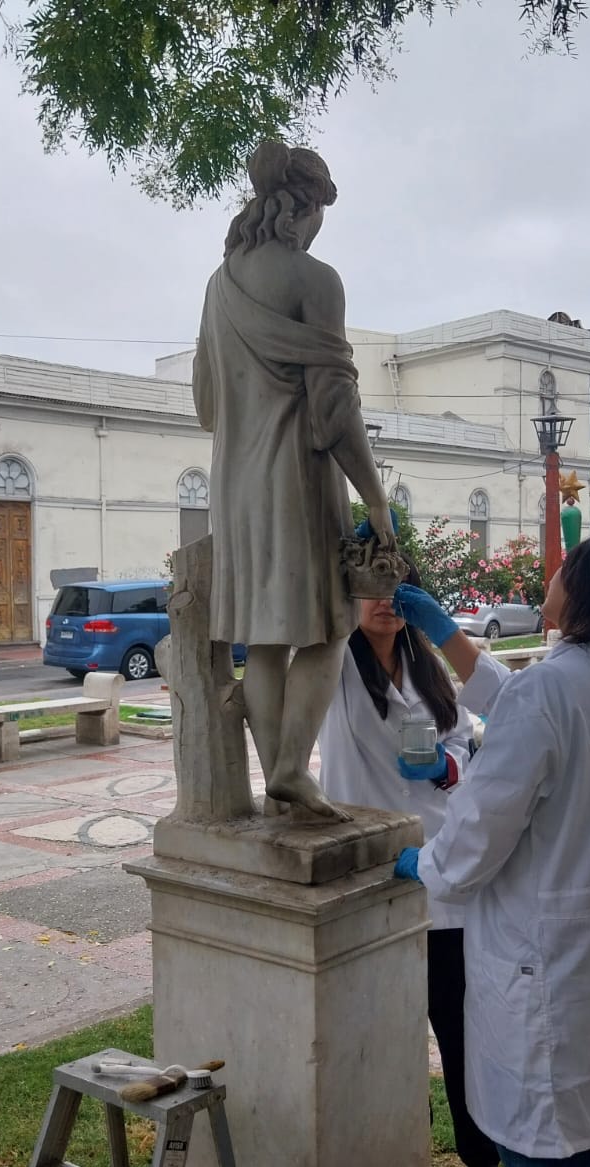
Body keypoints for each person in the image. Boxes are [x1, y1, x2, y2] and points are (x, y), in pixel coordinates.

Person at [395, 535, 590, 1167]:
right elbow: (527, 705)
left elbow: (478, 833)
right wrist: (444, 631)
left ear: (589, 591)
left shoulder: (554, 687)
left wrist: (427, 865)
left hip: (554, 958)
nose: (552, 575)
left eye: (565, 568)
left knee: (552, 1152)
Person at [192, 140, 394, 822]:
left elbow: (204, 403)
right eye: (318, 214)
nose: (315, 230)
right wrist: (375, 496)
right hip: (295, 483)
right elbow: (335, 411)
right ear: (304, 206)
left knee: (267, 639)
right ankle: (288, 769)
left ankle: (284, 783)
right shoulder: (315, 280)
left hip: (235, 489)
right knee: (329, 629)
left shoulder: (219, 286)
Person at [318, 565, 514, 1167]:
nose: (386, 601)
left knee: (461, 1032)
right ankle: (392, 1154)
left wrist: (445, 765)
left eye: (397, 587)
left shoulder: (427, 666)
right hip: (373, 871)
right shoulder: (330, 668)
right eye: (370, 586)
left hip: (444, 873)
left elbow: (466, 748)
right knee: (380, 1031)